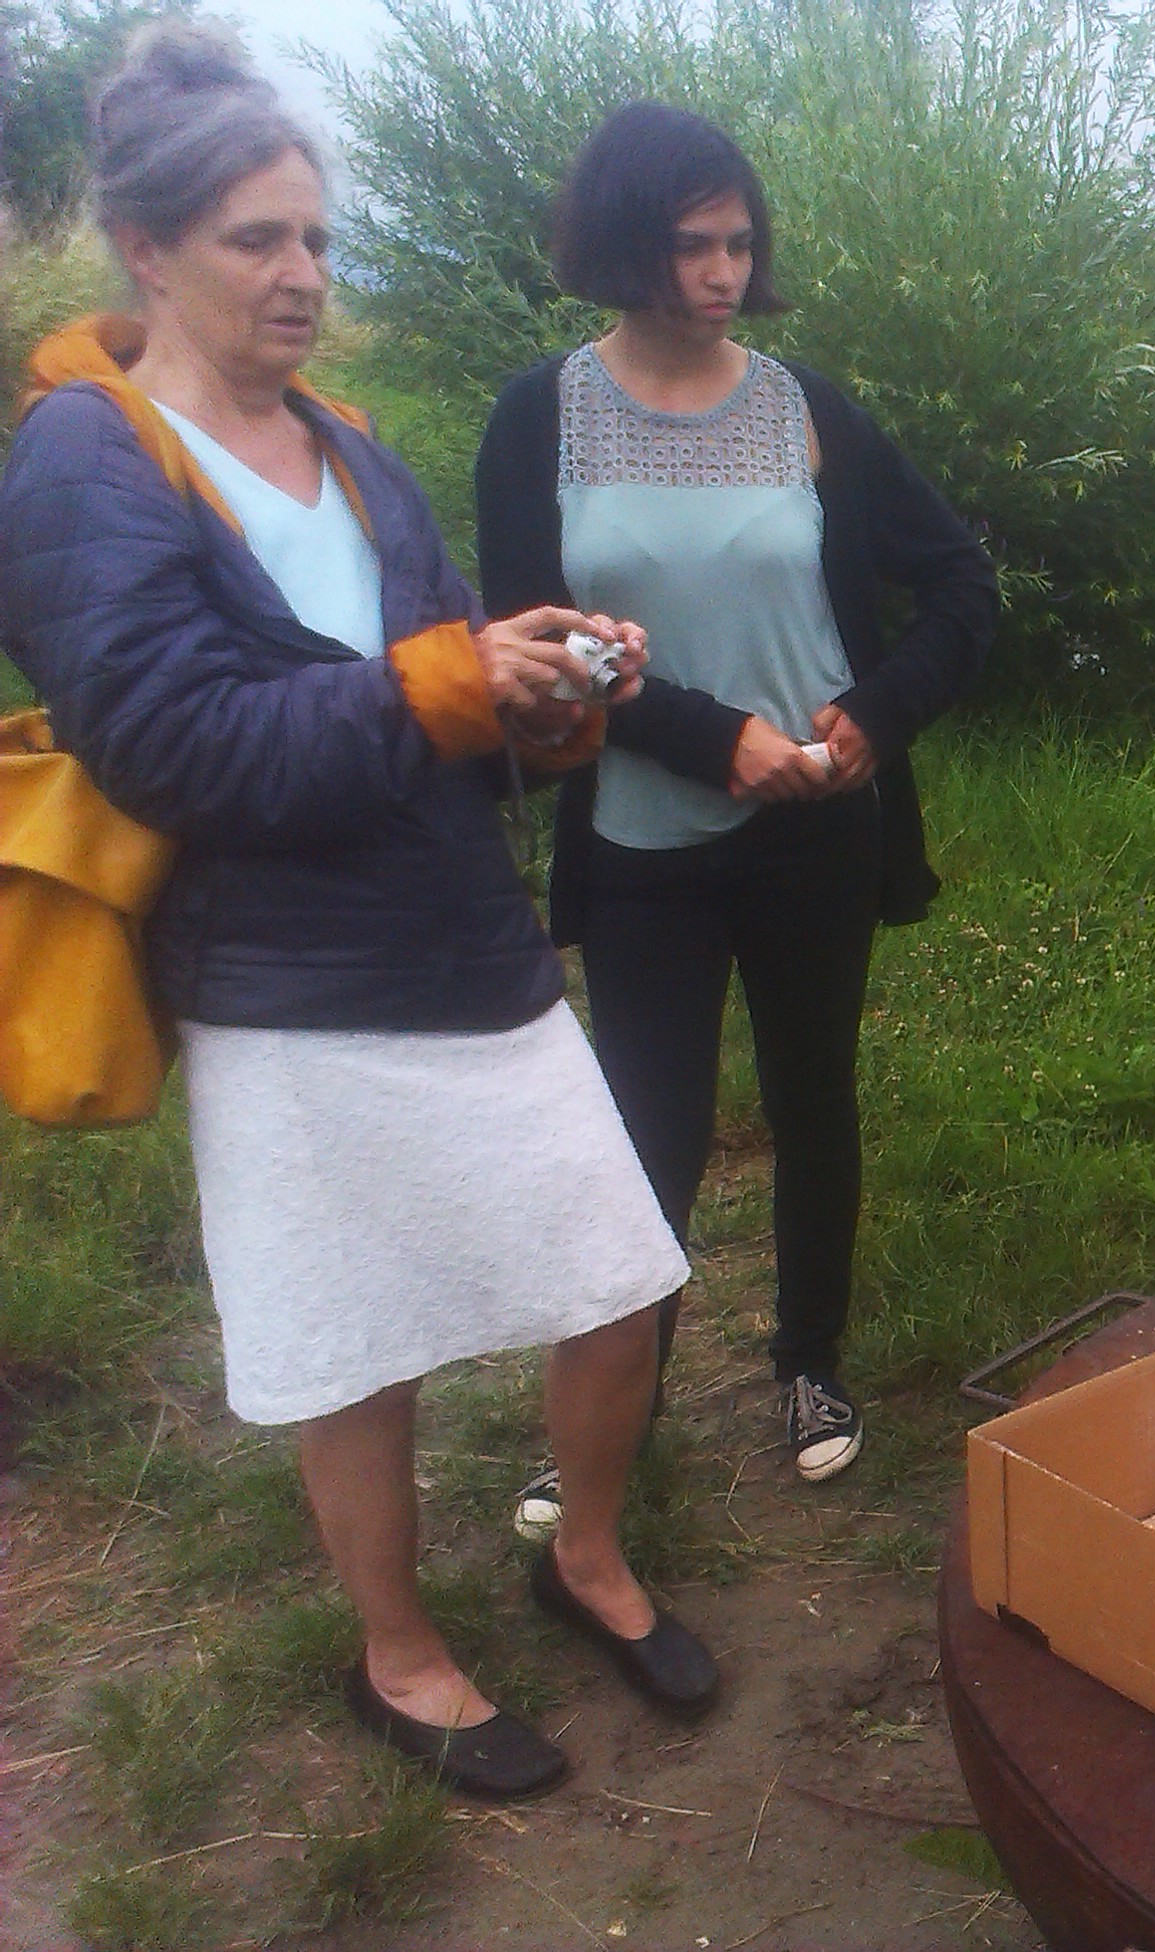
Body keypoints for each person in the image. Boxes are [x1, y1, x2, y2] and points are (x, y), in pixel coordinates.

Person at [0, 27, 721, 1797]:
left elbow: (444, 674)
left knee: (621, 1272)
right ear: (151, 252)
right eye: (258, 239)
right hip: (283, 989)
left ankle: (586, 1555)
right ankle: (401, 1658)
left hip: (469, 949)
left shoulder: (354, 446)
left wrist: (546, 698)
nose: (303, 275)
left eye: (317, 239)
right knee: (358, 1341)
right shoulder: (84, 465)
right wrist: (444, 682)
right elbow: (170, 744)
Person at [474, 104, 997, 1518]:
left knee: (815, 1098)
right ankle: (610, 1415)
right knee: (649, 1131)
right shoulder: (542, 415)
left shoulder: (807, 408)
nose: (719, 271)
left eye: (738, 242)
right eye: (690, 244)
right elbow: (531, 643)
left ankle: (808, 1362)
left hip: (819, 829)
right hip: (643, 840)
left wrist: (870, 720)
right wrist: (720, 742)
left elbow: (963, 588)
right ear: (623, 244)